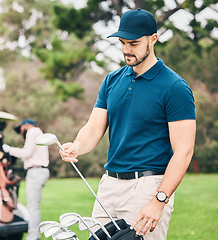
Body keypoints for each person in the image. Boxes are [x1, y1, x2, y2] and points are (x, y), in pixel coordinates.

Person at [59, 8, 196, 240]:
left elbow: (184, 152)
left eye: (133, 43)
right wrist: (77, 145)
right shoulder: (112, 80)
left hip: (147, 188)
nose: (125, 49)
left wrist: (159, 200)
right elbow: (94, 128)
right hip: (109, 185)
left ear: (153, 39)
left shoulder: (175, 87)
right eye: (122, 42)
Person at [3, 119, 50, 240]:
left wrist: (9, 149)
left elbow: (26, 153)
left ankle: (33, 236)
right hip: (38, 170)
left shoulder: (32, 131)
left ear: (25, 126)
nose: (21, 132)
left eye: (21, 129)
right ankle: (35, 235)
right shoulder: (38, 132)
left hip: (36, 171)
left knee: (32, 207)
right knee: (34, 206)